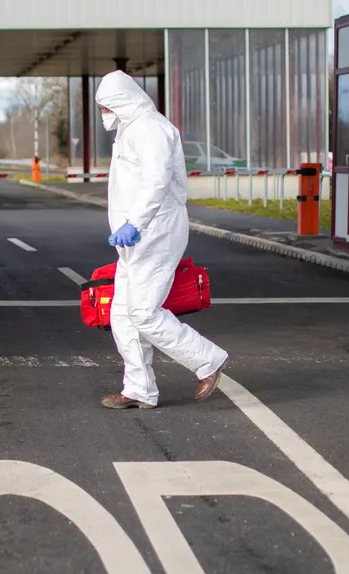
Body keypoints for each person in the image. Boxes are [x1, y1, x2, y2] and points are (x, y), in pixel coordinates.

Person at [94, 70, 229, 410]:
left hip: (156, 232)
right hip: (134, 239)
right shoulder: (129, 130)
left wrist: (135, 223)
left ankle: (208, 360)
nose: (103, 114)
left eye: (106, 106)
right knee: (122, 315)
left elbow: (156, 182)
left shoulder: (152, 129)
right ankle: (139, 389)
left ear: (121, 101)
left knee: (143, 312)